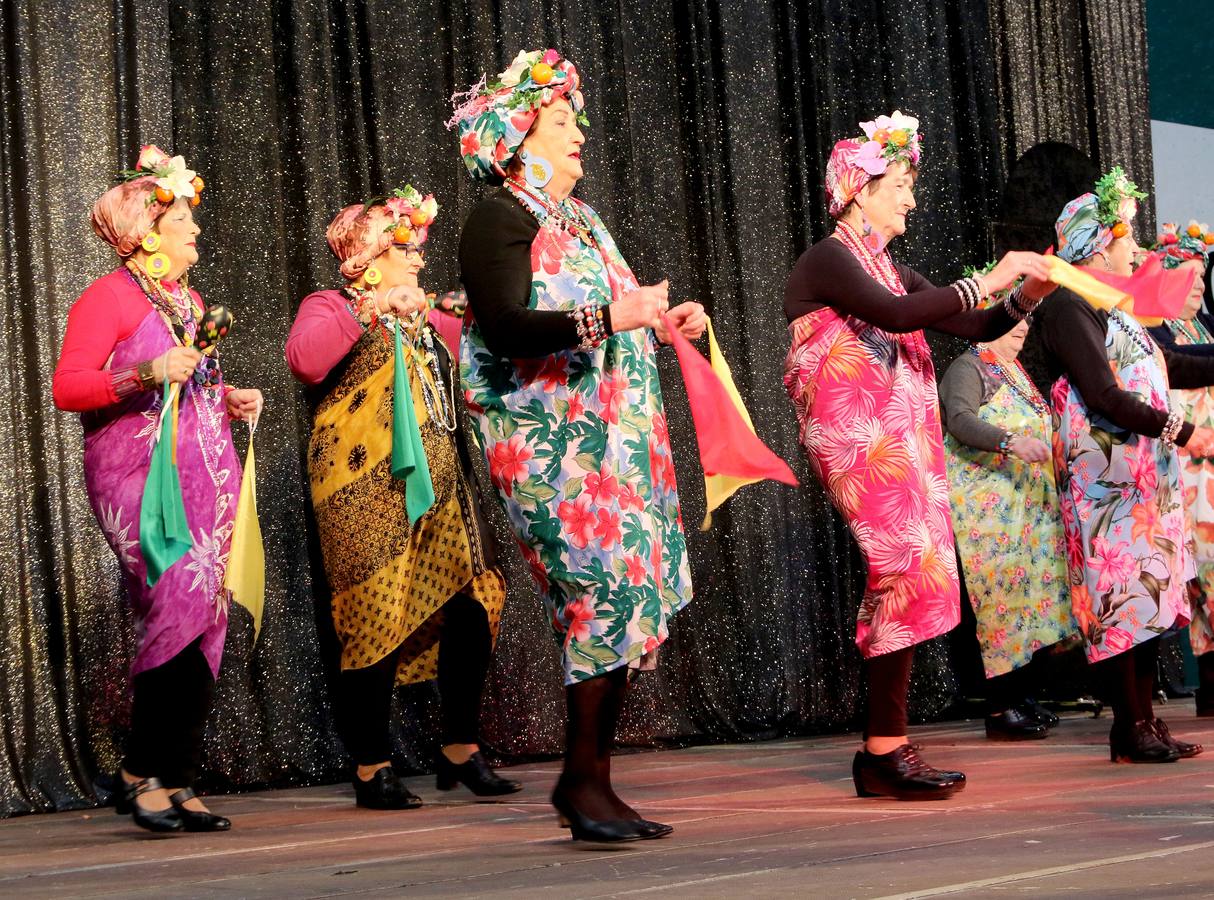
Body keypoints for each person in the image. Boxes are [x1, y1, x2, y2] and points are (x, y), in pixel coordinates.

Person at [451, 49, 704, 842]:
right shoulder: (500, 216)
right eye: (561, 123)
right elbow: (505, 326)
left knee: (625, 598)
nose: (579, 135)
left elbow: (614, 306)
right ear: (519, 136)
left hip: (611, 441)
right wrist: (611, 320)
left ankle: (590, 782)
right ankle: (580, 784)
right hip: (548, 444)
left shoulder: (579, 218)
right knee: (597, 598)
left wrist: (666, 318)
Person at [782, 111, 1056, 800]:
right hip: (861, 437)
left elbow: (972, 323)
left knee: (919, 574)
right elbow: (900, 318)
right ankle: (883, 751)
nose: (911, 197)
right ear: (859, 191)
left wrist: (1023, 295)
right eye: (899, 183)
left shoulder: (890, 267)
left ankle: (885, 749)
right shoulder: (830, 258)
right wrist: (996, 274)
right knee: (906, 566)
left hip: (899, 434)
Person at [286, 186, 519, 809]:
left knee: (473, 606)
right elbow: (305, 360)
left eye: (417, 244)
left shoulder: (423, 315)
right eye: (404, 244)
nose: (418, 254)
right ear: (369, 252)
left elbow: (494, 339)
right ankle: (370, 766)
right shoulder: (328, 304)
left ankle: (459, 752)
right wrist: (370, 308)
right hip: (362, 493)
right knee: (373, 619)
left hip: (440, 489)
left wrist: (632, 328)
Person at [52, 145, 262, 832]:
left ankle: (178, 775)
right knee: (174, 605)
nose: (196, 230)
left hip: (206, 467)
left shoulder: (188, 299)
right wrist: (143, 374)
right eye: (184, 220)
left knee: (209, 616)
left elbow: (189, 379)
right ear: (148, 232)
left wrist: (228, 397)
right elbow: (68, 388)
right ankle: (138, 771)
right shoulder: (105, 298)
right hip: (139, 477)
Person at [1037, 172, 1214, 762]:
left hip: (1140, 482)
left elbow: (1167, 364)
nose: (1135, 250)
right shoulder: (1066, 304)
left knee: (1144, 602)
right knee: (1118, 601)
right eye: (1126, 238)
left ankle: (1143, 722)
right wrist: (1184, 431)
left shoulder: (1115, 308)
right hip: (1106, 485)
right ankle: (1130, 725)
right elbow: (1104, 394)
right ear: (1096, 245)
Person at [939, 304, 1075, 740]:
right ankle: (1000, 708)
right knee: (1001, 601)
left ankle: (1022, 696)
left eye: (1026, 321)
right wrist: (1009, 440)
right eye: (1013, 319)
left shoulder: (1015, 371)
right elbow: (959, 420)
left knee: (1035, 601)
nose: (1023, 327)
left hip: (1029, 509)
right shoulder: (968, 366)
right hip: (989, 513)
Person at [1146, 221, 1214, 715]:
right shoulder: (1154, 329)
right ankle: (1209, 684)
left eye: (1203, 280)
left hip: (1212, 465)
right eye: (1189, 280)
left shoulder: (1207, 326)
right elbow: (1174, 365)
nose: (1199, 290)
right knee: (1199, 577)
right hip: (1183, 467)